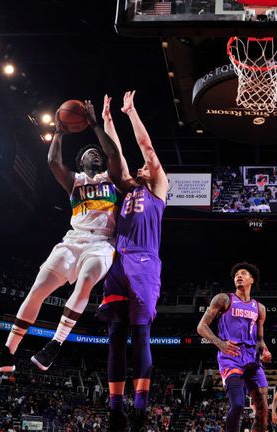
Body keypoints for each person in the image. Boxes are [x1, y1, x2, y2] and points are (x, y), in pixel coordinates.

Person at [0, 103, 120, 373]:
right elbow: (52, 162)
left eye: (98, 154)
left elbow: (113, 151)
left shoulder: (111, 178)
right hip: (73, 239)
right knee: (37, 290)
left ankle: (55, 344)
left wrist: (93, 125)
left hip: (102, 242)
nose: (97, 156)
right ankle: (8, 353)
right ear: (81, 162)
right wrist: (58, 133)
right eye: (92, 153)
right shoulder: (74, 181)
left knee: (87, 280)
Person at [93, 91, 168, 431]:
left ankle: (140, 407)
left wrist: (130, 112)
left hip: (144, 263)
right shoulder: (126, 188)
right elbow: (117, 154)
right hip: (118, 262)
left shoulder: (158, 189)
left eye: (145, 167)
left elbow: (146, 149)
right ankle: (115, 409)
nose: (140, 167)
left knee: (140, 335)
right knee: (114, 333)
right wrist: (108, 120)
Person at [197, 262, 272, 432]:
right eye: (237, 274)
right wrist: (220, 343)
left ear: (252, 280)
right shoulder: (224, 299)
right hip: (231, 357)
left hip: (252, 359)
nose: (239, 276)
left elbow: (260, 339)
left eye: (243, 273)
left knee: (263, 409)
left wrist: (265, 351)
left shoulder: (259, 308)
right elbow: (201, 327)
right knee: (238, 404)